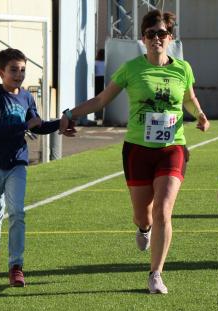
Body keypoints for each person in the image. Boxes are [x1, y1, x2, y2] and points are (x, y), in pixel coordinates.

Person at [60, 10, 210, 294]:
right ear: (143, 39)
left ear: (170, 38)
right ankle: (143, 229)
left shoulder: (182, 68)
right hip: (138, 150)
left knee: (165, 210)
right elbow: (102, 100)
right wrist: (72, 113)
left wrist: (200, 115)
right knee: (144, 215)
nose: (157, 38)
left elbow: (190, 99)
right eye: (151, 34)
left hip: (172, 148)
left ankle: (155, 274)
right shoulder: (131, 69)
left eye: (162, 34)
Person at [0, 48, 69, 287]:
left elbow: (36, 126)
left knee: (17, 212)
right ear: (1, 72)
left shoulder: (27, 97)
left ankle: (16, 266)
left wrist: (61, 123)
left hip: (17, 162)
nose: (19, 75)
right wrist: (25, 124)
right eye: (13, 70)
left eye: (23, 70)